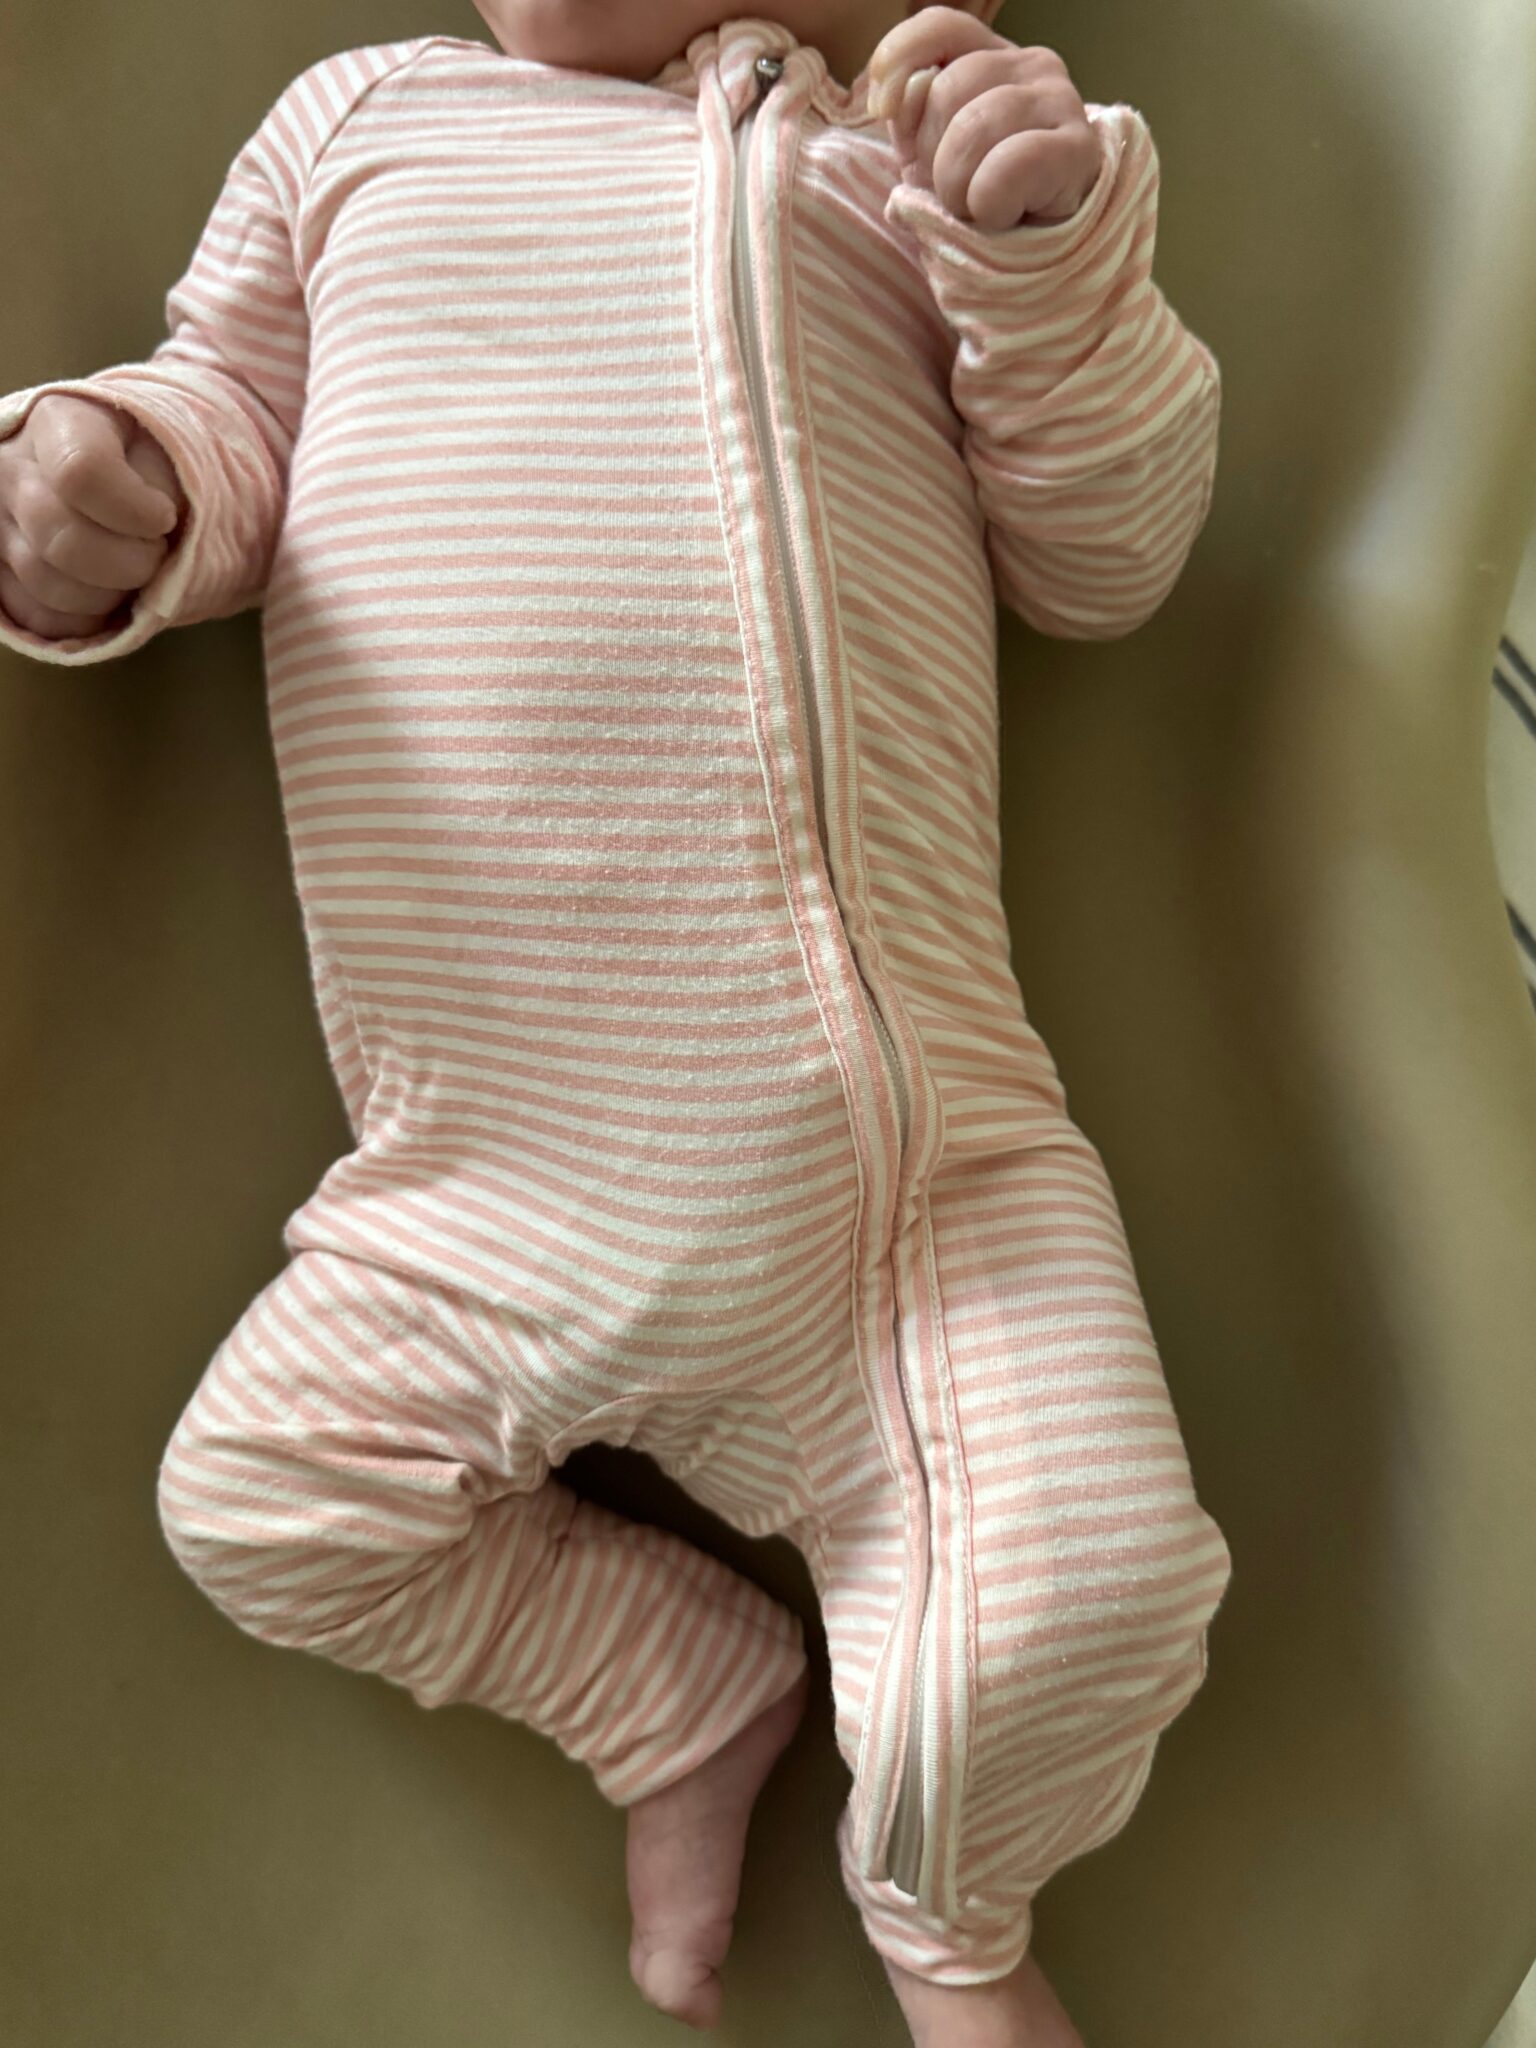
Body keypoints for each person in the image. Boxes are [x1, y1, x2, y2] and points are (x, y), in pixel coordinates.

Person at [0, 5, 1233, 2041]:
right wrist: (91, 480)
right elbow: (216, 411)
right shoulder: (366, 128)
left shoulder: (945, 180)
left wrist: (1043, 245)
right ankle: (676, 1684)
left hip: (931, 1189)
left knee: (1090, 1591)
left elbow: (1106, 556)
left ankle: (955, 1921)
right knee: (263, 1497)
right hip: (491, 1191)